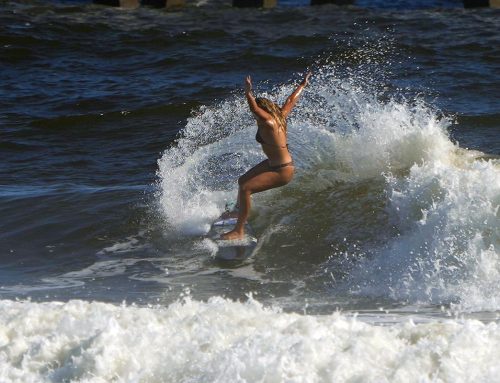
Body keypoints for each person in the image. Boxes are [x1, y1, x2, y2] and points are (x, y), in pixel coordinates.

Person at [221, 72, 311, 240]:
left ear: (263, 111)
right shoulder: (280, 117)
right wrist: (302, 85)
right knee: (242, 181)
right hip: (274, 163)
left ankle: (238, 231)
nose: (255, 117)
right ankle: (236, 212)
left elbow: (254, 108)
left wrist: (248, 93)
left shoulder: (268, 122)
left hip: (282, 170)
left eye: (257, 114)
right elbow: (291, 101)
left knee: (247, 188)